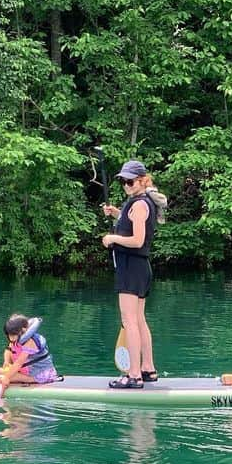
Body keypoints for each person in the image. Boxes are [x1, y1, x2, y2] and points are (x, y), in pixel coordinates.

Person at [101, 160, 167, 389]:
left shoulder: (139, 204)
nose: (126, 186)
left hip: (132, 268)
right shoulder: (140, 203)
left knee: (130, 322)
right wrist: (118, 214)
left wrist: (113, 238)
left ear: (141, 180)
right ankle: (148, 369)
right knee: (138, 320)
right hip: (139, 268)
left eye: (130, 181)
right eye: (123, 182)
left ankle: (134, 375)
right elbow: (133, 224)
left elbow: (137, 240)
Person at [0, 314, 58, 402]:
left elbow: (18, 363)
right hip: (31, 370)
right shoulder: (18, 338)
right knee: (10, 371)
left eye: (13, 335)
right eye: (9, 335)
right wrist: (6, 361)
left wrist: (6, 377)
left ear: (23, 330)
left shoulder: (30, 342)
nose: (10, 338)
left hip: (41, 374)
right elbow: (8, 349)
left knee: (10, 376)